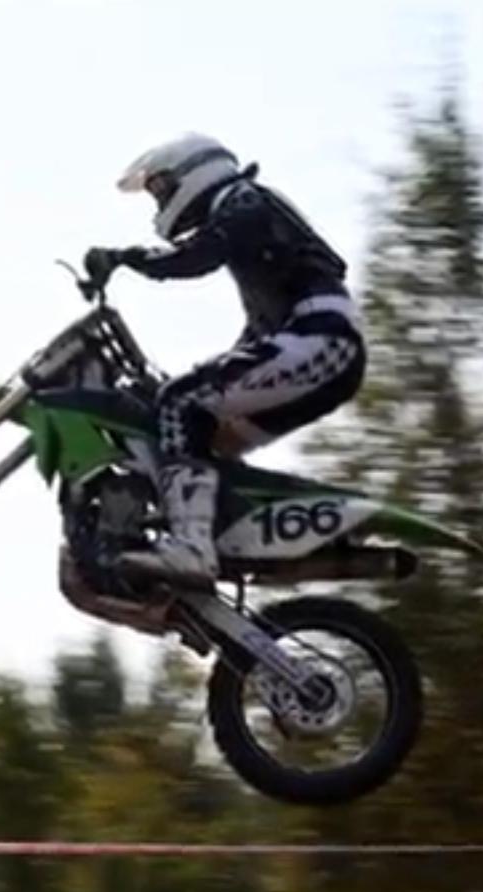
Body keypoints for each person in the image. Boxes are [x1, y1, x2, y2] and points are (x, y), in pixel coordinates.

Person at [84, 133, 365, 587]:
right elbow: (256, 336)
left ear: (194, 170)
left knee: (179, 402)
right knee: (195, 431)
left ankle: (192, 548)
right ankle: (225, 535)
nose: (161, 203)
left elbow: (197, 257)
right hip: (319, 344)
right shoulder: (254, 234)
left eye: (161, 188)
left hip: (322, 340)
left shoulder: (243, 200)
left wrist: (124, 257)